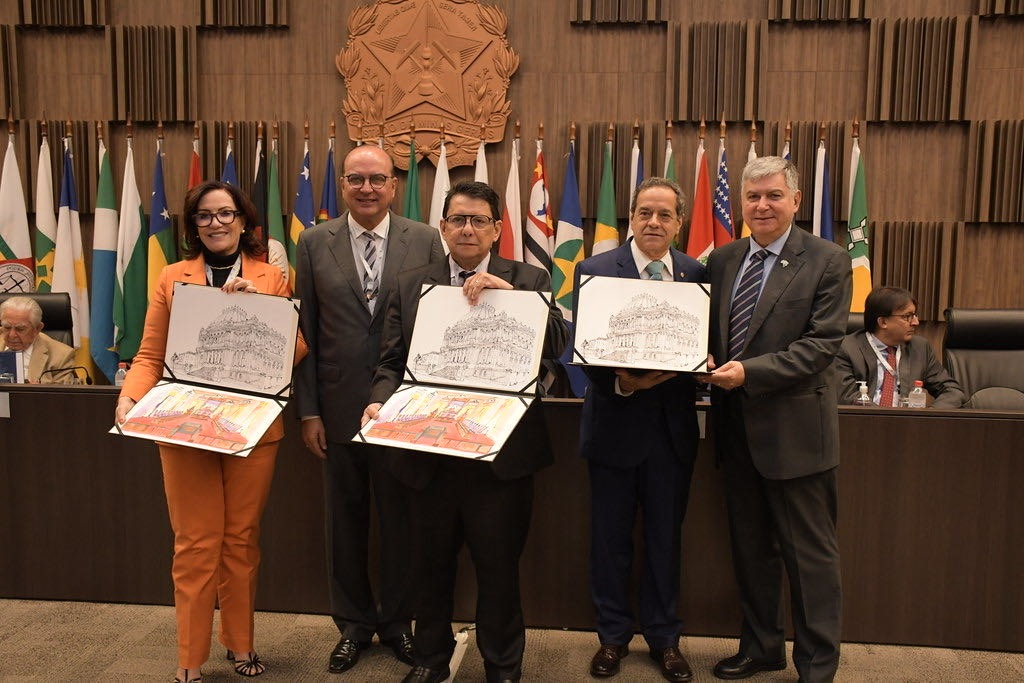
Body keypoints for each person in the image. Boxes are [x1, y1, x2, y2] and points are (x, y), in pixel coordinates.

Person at [362, 180, 568, 683]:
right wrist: (376, 399)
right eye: (458, 219)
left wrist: (513, 298)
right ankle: (431, 660)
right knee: (429, 568)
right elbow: (391, 361)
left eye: (479, 220)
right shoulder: (412, 282)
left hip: (501, 459)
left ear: (498, 229)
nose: (468, 228)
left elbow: (559, 343)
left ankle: (502, 665)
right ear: (443, 227)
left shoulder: (530, 277)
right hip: (426, 454)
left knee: (499, 570)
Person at [114, 180, 308, 683]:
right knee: (196, 543)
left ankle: (240, 646)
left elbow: (297, 351)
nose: (216, 223)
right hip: (186, 427)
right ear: (193, 225)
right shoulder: (172, 278)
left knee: (241, 540)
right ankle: (190, 658)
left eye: (226, 214)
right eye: (204, 215)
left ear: (244, 222)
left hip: (253, 430)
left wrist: (257, 311)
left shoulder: (271, 277)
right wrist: (129, 396)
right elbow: (150, 354)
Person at [293, 145, 445, 674]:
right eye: (356, 179)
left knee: (402, 520)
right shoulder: (313, 243)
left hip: (405, 405)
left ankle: (399, 623)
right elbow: (304, 330)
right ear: (342, 185)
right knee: (345, 520)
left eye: (377, 178)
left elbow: (437, 322)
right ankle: (354, 625)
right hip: (335, 408)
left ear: (393, 184)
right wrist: (308, 411)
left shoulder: (426, 239)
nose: (367, 188)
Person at [701, 157, 851, 683]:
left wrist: (748, 373)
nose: (761, 206)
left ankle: (816, 665)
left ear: (795, 200)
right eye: (752, 197)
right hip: (735, 432)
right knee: (751, 550)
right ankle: (762, 648)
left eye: (773, 196)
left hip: (796, 437)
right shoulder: (722, 260)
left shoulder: (828, 260)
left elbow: (822, 346)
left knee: (808, 558)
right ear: (740, 204)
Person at [573, 178, 705, 682]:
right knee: (609, 541)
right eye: (646, 213)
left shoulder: (696, 273)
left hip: (672, 435)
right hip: (613, 425)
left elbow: (702, 340)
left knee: (665, 541)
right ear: (632, 216)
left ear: (679, 223)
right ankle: (611, 638)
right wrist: (623, 384)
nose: (655, 223)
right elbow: (585, 352)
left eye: (665, 215)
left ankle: (664, 639)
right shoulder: (596, 270)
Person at [835, 286, 964, 408]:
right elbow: (847, 398)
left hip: (909, 427)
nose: (915, 322)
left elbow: (952, 391)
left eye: (914, 315)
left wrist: (928, 416)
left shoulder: (920, 349)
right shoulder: (846, 349)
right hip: (862, 426)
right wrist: (888, 419)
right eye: (907, 316)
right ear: (883, 322)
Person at [0, 296, 76, 383]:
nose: (12, 335)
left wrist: (37, 392)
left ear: (37, 328)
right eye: (7, 327)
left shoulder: (61, 356)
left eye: (20, 329)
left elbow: (63, 394)